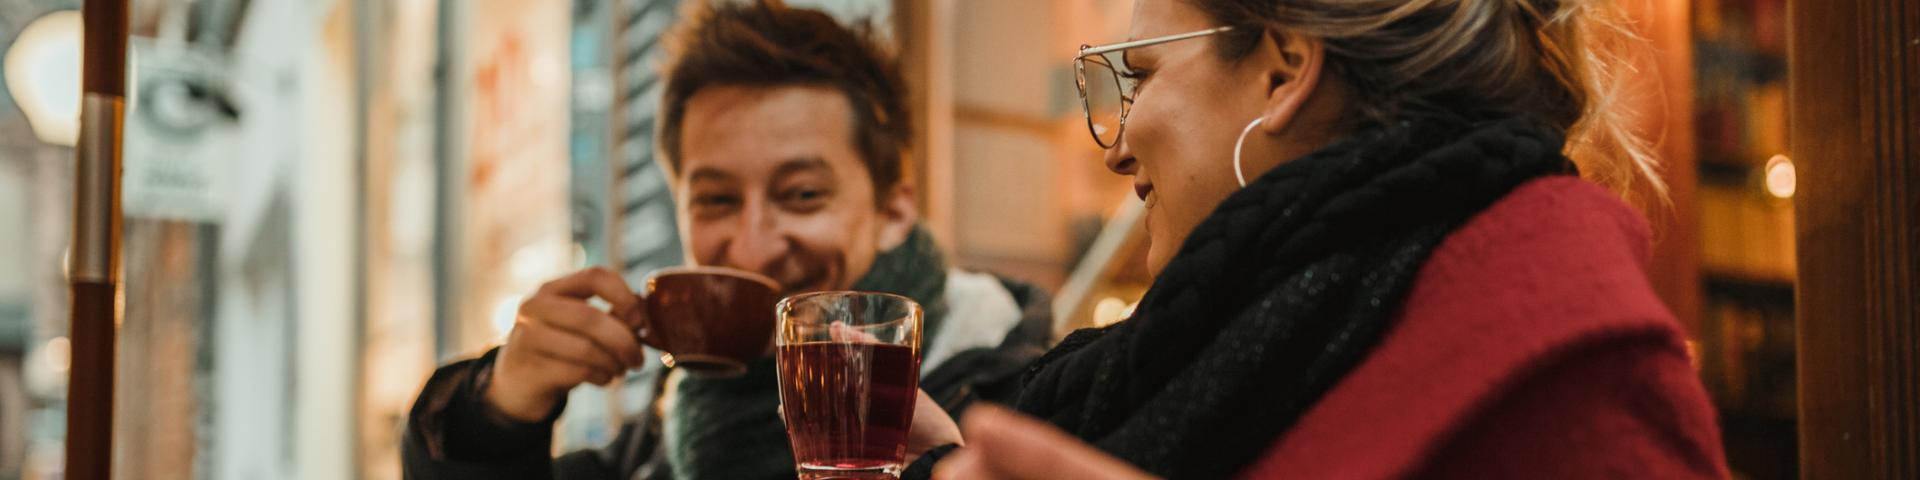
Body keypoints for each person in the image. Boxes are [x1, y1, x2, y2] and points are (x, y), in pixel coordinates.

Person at [911, 0, 1731, 478]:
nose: (1118, 143)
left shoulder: (1569, 362)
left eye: (1140, 76)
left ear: (1283, 70)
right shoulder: (1254, 326)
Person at [400, 3, 1049, 479]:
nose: (753, 246)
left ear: (893, 208)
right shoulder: (669, 431)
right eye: (716, 199)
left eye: (801, 195)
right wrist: (495, 415)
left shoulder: (1022, 404)